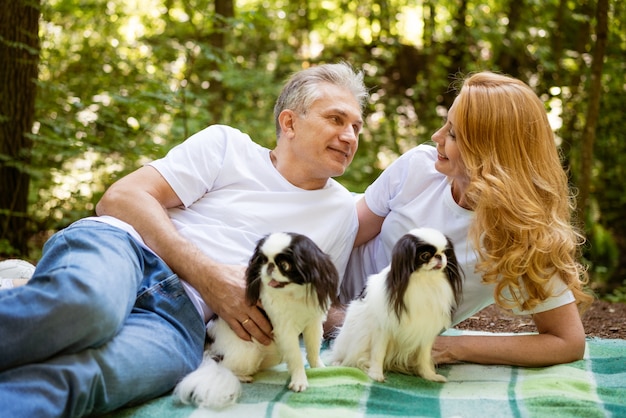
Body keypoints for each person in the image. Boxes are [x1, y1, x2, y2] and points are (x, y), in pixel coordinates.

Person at [0, 62, 368, 417]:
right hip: (126, 250)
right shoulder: (227, 147)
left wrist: (386, 326)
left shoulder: (339, 213)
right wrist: (208, 276)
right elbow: (121, 198)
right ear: (289, 122)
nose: (349, 136)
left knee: (86, 379)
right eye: (336, 119)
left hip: (181, 324)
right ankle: (26, 283)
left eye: (356, 126)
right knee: (87, 309)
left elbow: (315, 305)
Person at [335, 71, 593, 367]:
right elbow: (342, 237)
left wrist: (454, 347)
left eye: (453, 134)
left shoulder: (522, 236)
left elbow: (567, 341)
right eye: (446, 124)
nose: (436, 137)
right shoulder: (418, 168)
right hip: (329, 284)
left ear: (490, 153)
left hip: (368, 327)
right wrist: (321, 306)